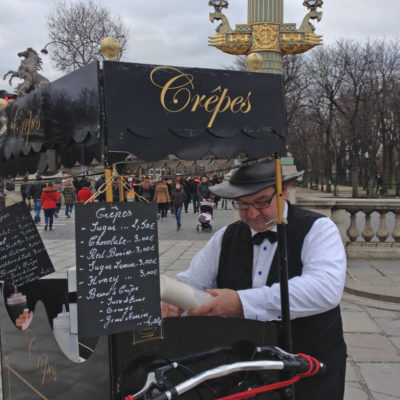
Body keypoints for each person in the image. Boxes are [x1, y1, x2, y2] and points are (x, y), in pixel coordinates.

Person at [162, 161, 347, 400]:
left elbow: (325, 289)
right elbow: (192, 281)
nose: (252, 213)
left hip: (310, 368)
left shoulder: (319, 229)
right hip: (247, 372)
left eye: (261, 202)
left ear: (282, 192)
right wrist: (174, 299)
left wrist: (241, 302)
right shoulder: (225, 237)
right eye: (242, 204)